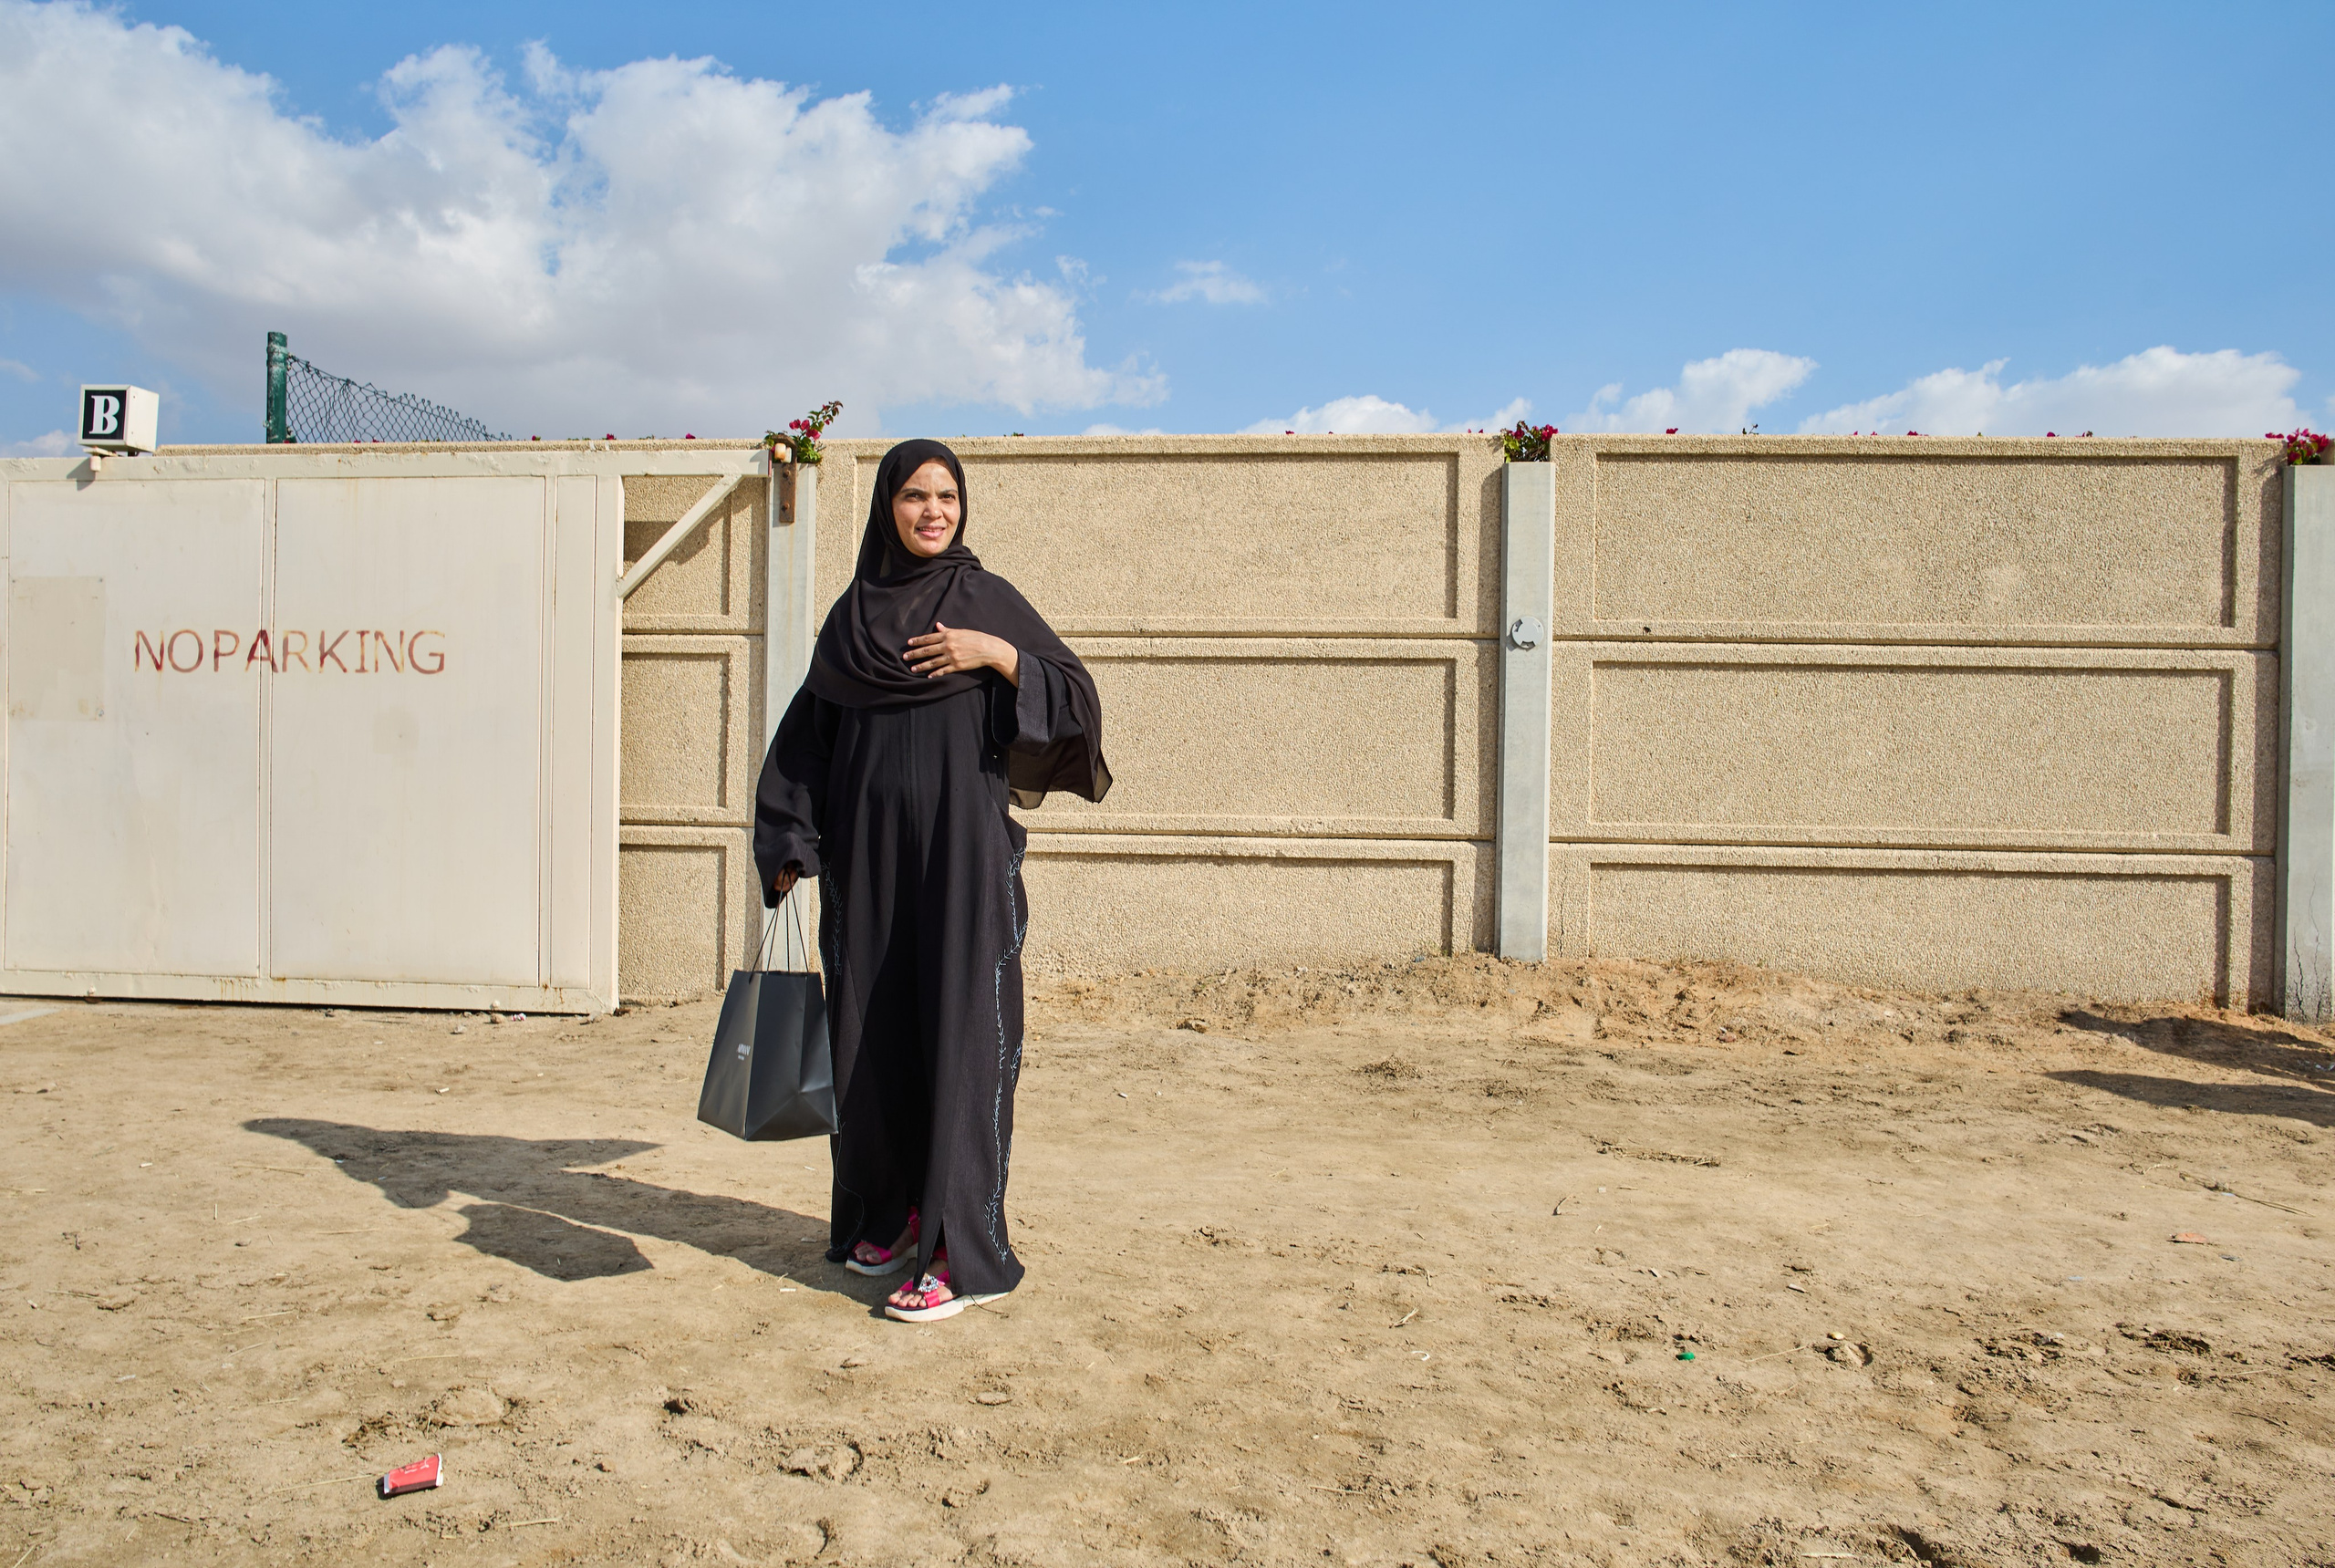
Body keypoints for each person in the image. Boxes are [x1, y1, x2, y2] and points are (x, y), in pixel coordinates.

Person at [752, 439, 1111, 1323]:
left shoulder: (985, 601)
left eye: (946, 496)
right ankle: (891, 1214)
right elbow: (808, 738)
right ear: (888, 506)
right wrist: (789, 836)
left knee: (962, 1041)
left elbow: (1075, 697)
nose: (932, 512)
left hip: (962, 861)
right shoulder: (852, 619)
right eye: (914, 496)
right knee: (870, 1042)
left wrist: (998, 654)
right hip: (868, 866)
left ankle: (958, 1251)